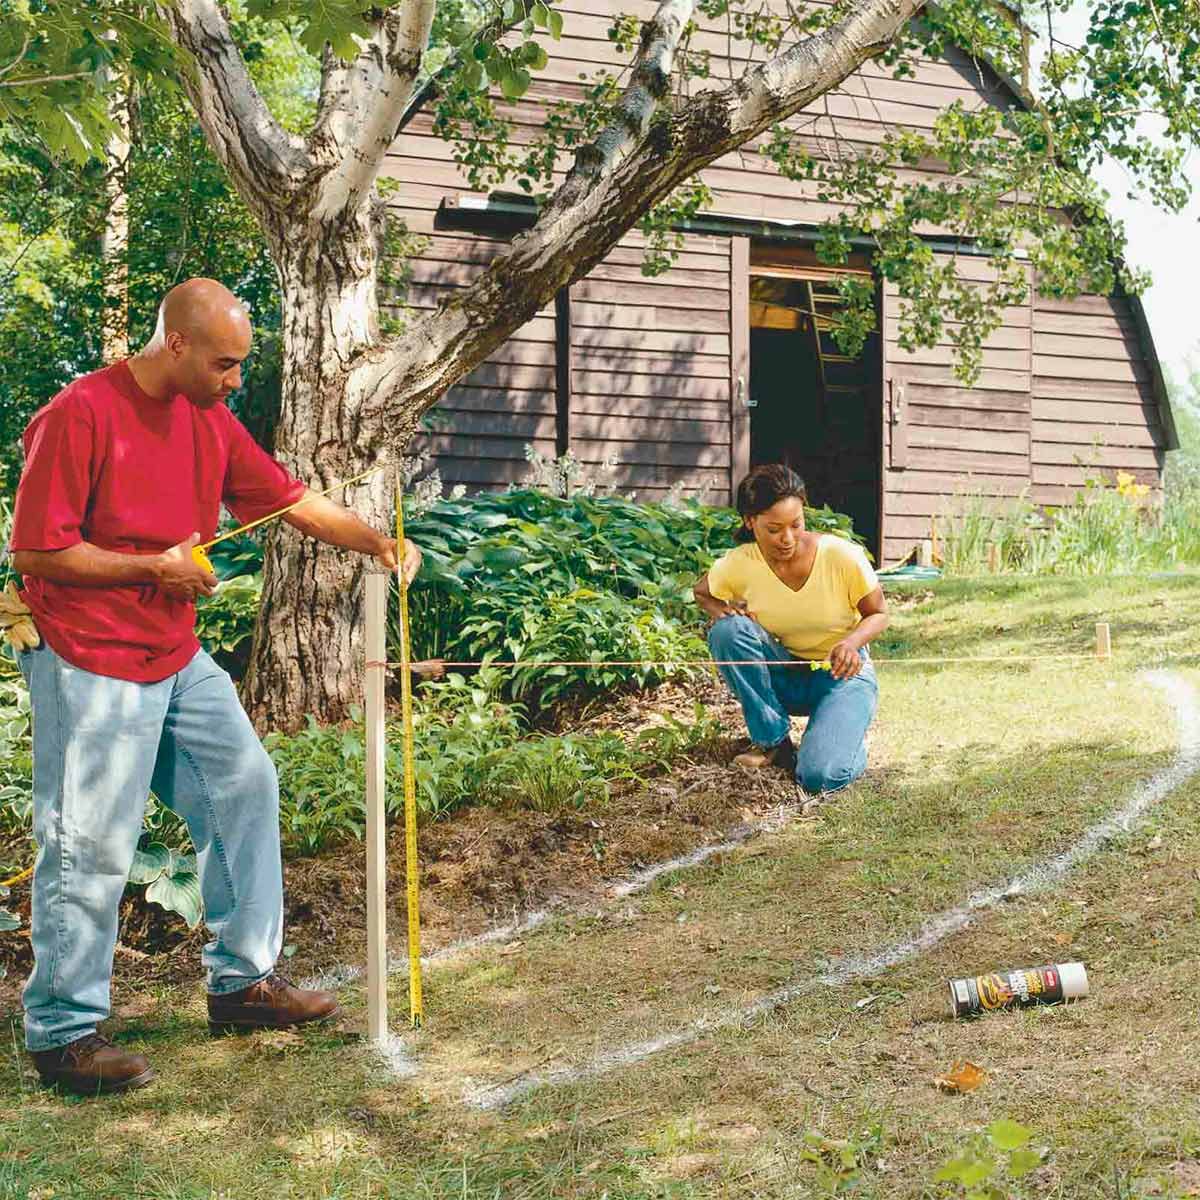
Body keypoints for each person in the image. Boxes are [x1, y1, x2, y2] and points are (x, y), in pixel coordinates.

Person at [7, 278, 423, 1096]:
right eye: (226, 364)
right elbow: (36, 553)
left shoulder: (208, 418)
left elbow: (292, 500)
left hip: (172, 651)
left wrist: (376, 543)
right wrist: (150, 567)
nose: (237, 379)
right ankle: (62, 1031)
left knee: (243, 784)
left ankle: (242, 986)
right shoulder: (80, 414)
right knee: (90, 839)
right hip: (87, 655)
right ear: (177, 346)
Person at [693, 464, 887, 795]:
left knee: (820, 776)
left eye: (796, 525)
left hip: (841, 675)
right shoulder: (741, 562)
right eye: (774, 529)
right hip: (785, 673)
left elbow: (879, 614)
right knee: (728, 631)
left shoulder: (841, 556)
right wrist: (727, 612)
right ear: (750, 522)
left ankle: (843, 738)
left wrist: (852, 643)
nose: (787, 539)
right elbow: (702, 592)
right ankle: (773, 741)